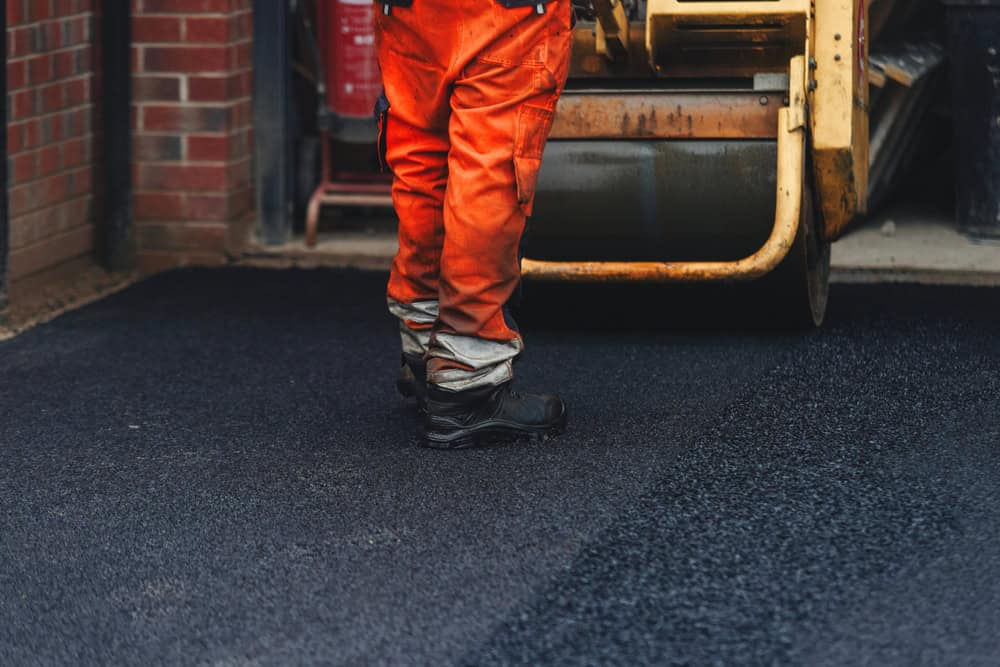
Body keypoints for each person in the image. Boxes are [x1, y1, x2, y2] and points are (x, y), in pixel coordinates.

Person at [374, 0, 572, 448]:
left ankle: (425, 348)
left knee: (422, 164)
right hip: (504, 13)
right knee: (489, 172)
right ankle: (467, 381)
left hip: (406, 11)